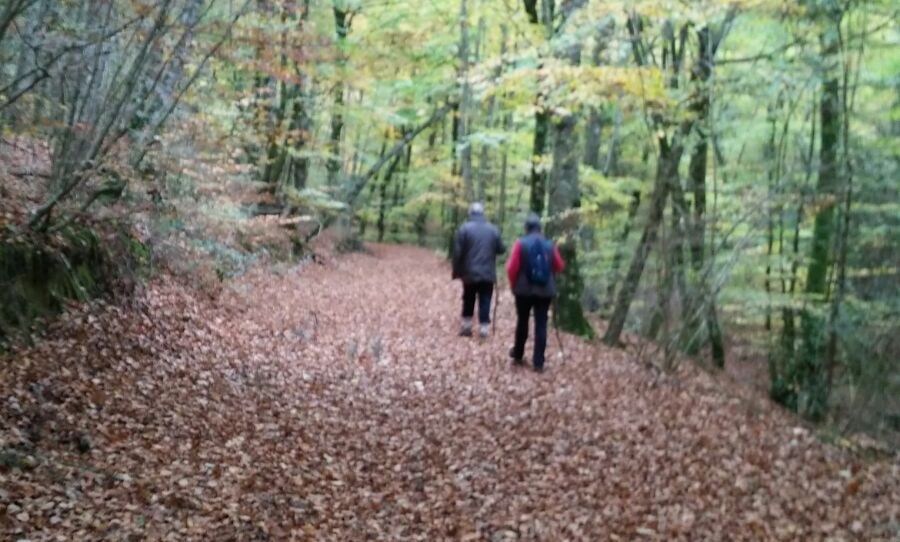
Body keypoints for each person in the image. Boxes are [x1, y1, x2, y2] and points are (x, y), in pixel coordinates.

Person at [505, 213, 565, 372]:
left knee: (522, 321)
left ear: (526, 228)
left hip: (523, 291)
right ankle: (538, 362)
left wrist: (513, 285)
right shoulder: (550, 245)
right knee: (541, 324)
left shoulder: (520, 243)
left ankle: (518, 354)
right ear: (540, 228)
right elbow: (559, 266)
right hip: (545, 291)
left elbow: (512, 268)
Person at [452, 202, 505, 338]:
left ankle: (467, 326)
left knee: (468, 297)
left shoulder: (464, 229)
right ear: (483, 213)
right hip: (487, 272)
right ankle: (484, 328)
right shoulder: (493, 229)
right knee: (485, 298)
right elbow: (501, 249)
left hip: (469, 272)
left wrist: (457, 271)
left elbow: (458, 252)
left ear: (470, 213)